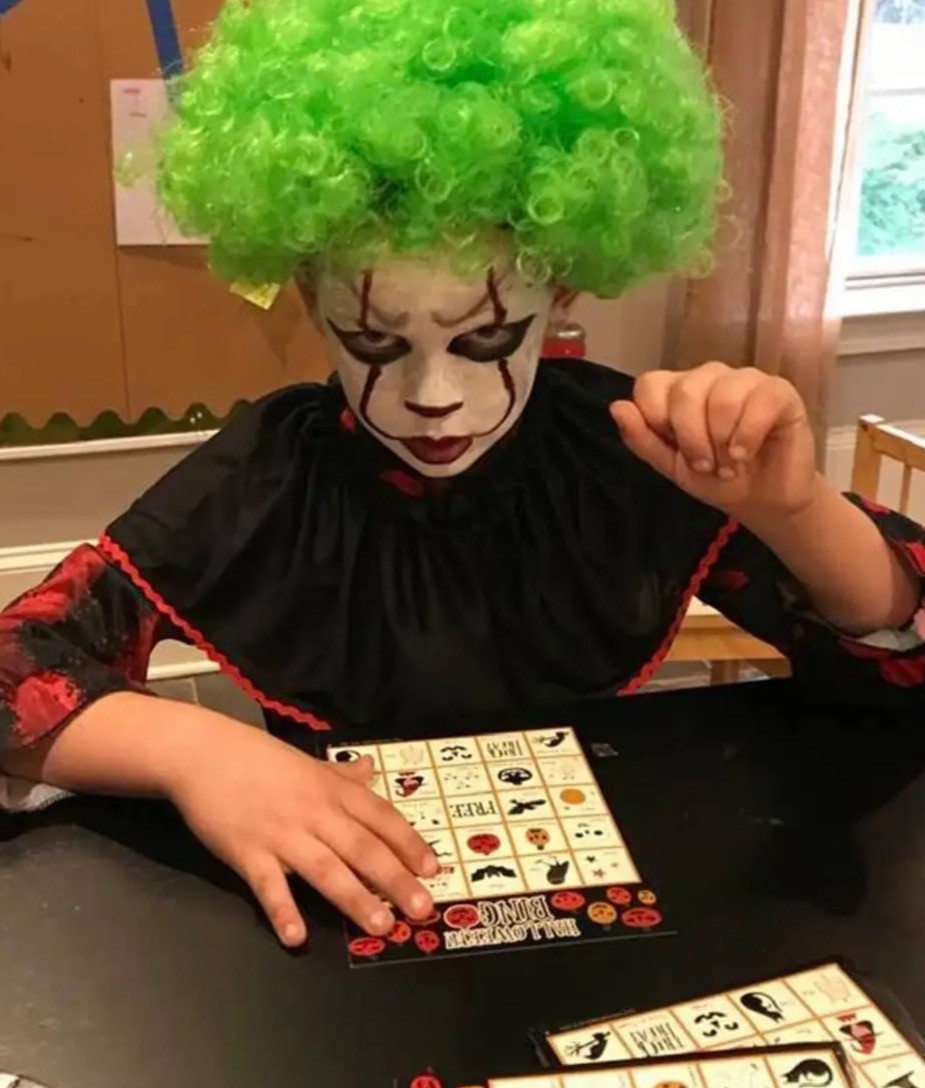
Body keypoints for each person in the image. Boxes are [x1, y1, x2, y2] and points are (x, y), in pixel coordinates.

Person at [1, 0, 923, 950]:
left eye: (485, 339)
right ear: (309, 298)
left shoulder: (622, 446)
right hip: (342, 934)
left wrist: (794, 511)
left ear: (559, 288)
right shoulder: (269, 478)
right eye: (374, 341)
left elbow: (901, 672)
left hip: (598, 915)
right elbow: (12, 667)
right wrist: (196, 752)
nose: (433, 397)